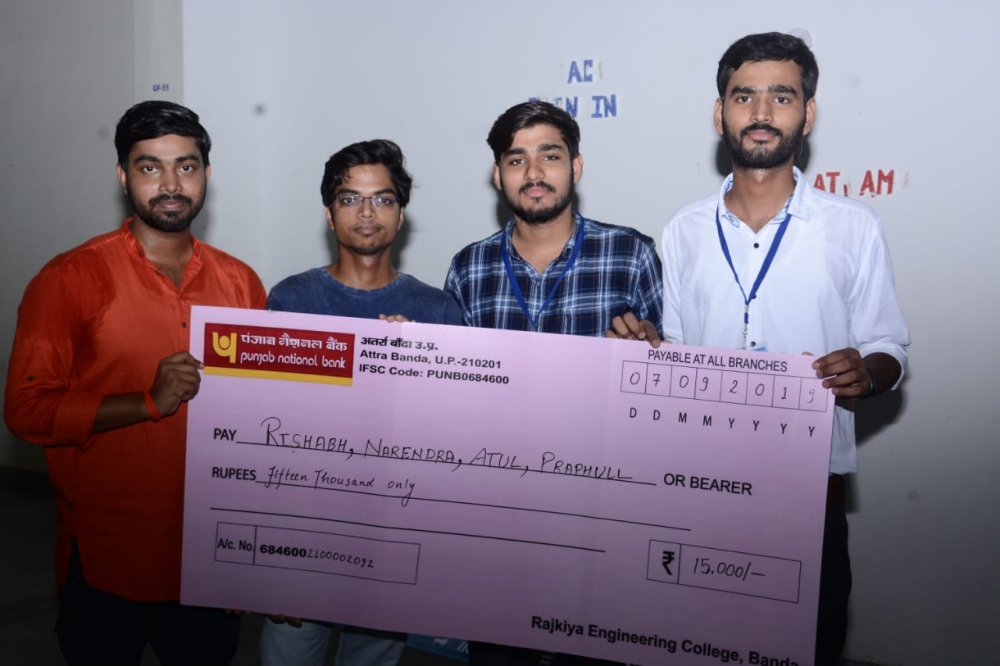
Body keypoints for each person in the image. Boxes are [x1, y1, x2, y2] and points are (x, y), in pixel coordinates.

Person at [654, 32, 910, 666]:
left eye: (782, 96)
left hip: (809, 500)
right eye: (744, 96)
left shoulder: (854, 228)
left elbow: (888, 346)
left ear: (808, 113)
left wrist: (867, 372)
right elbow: (674, 353)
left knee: (810, 649)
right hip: (700, 495)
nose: (762, 112)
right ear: (720, 113)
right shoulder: (682, 231)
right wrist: (642, 352)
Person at [3, 101, 266, 665]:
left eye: (186, 166)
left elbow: (257, 422)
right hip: (105, 560)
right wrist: (146, 402)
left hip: (207, 558)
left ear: (206, 175)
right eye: (150, 167)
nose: (171, 184)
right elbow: (26, 410)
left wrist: (246, 559)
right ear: (123, 176)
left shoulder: (241, 282)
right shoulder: (68, 279)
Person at [445, 100, 663, 665]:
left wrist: (648, 356)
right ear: (498, 175)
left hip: (600, 515)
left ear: (576, 167)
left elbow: (666, 392)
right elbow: (450, 400)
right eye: (516, 159)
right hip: (499, 516)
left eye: (550, 155)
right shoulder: (468, 268)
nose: (534, 172)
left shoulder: (631, 255)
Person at [259, 139, 461, 666]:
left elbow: (453, 439)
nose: (367, 213)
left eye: (383, 199)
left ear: (401, 214)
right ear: (329, 214)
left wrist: (418, 370)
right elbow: (263, 432)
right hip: (302, 539)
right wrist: (265, 560)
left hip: (391, 536)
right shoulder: (290, 301)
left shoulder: (437, 311)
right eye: (350, 199)